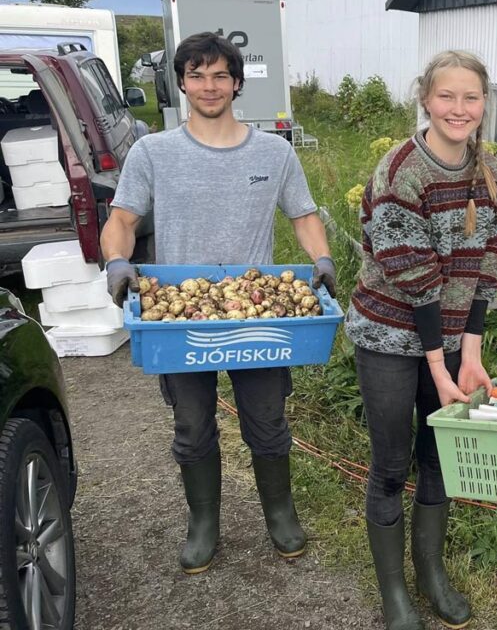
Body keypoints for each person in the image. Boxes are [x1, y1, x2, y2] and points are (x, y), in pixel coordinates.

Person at [100, 32, 337, 574]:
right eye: (197, 75)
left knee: (268, 421)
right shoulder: (153, 152)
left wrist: (322, 259)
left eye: (220, 76)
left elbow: (303, 216)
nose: (209, 86)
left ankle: (280, 513)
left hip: (256, 316)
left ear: (236, 83)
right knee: (191, 426)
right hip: (180, 316)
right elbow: (123, 220)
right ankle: (204, 521)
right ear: (182, 83)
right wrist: (117, 262)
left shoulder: (274, 152)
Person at [345, 50, 497, 630]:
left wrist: (472, 352)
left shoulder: (491, 173)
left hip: (452, 337)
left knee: (440, 459)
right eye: (446, 96)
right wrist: (439, 366)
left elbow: (488, 261)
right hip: (390, 334)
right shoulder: (400, 172)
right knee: (392, 464)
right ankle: (394, 591)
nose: (458, 109)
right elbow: (417, 279)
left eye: (471, 97)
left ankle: (431, 573)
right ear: (425, 99)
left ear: (484, 103)